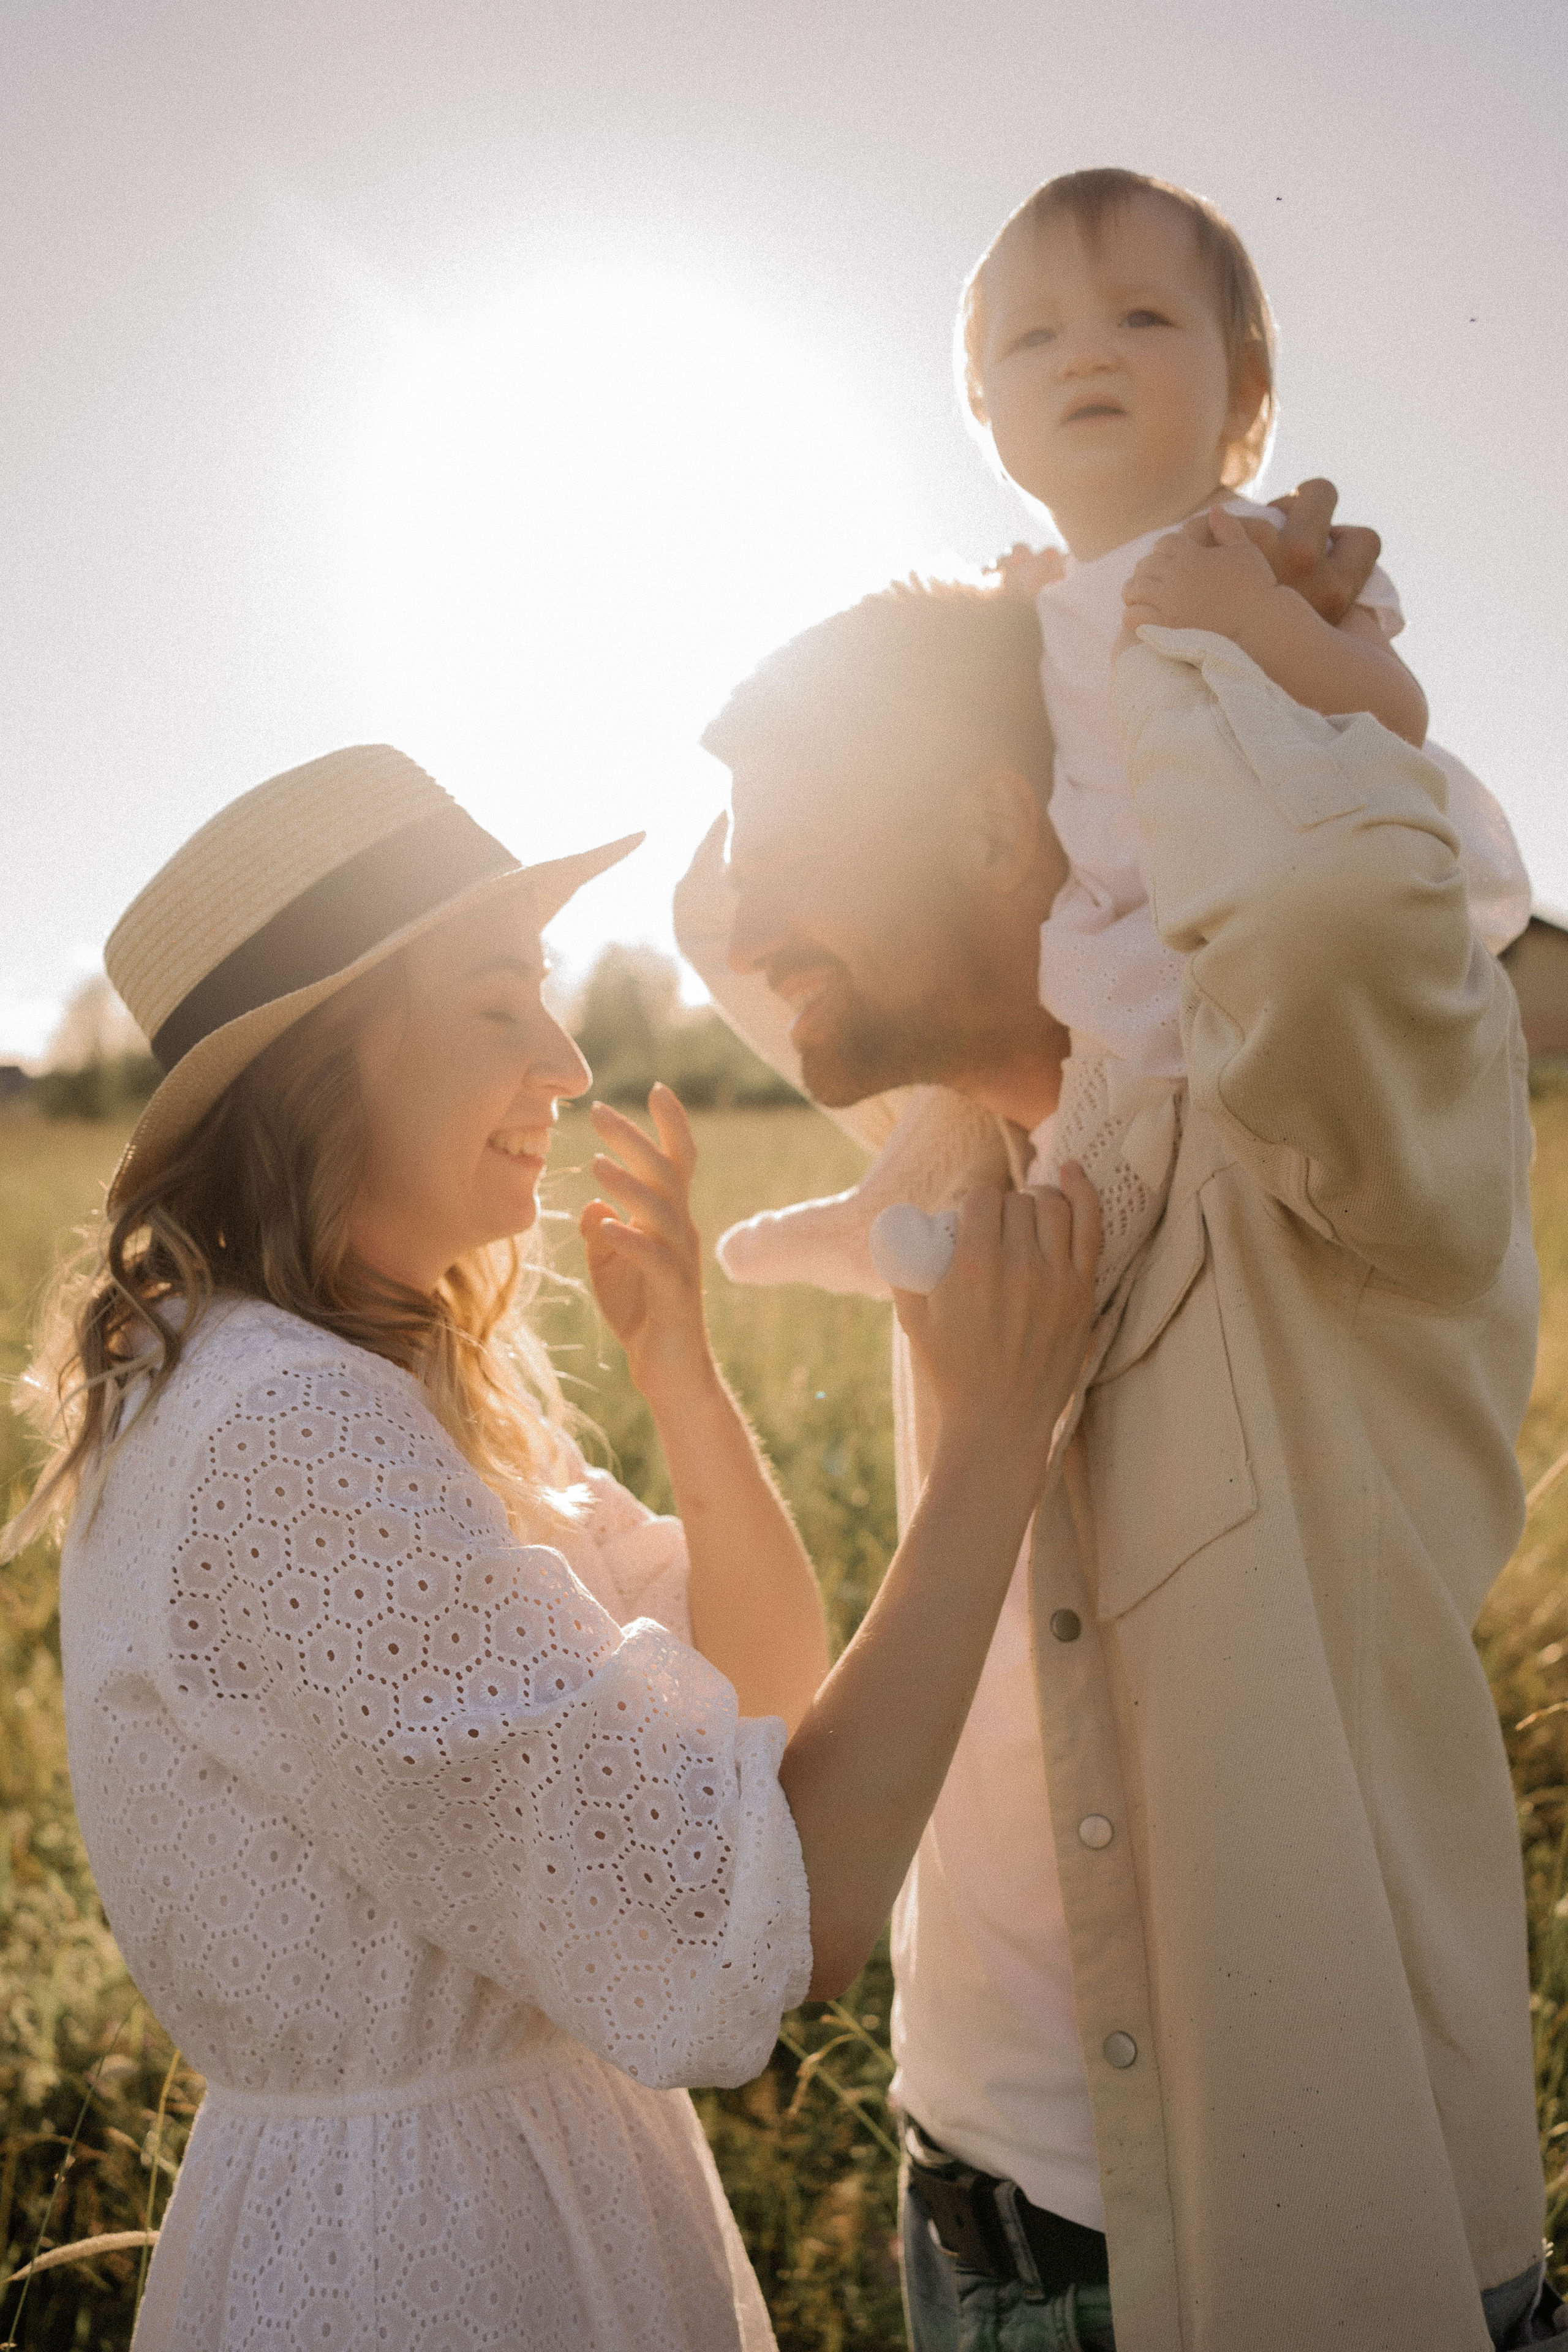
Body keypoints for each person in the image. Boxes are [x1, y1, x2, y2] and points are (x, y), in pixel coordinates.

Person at [6, 744, 1101, 2351]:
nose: (571, 1060)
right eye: (496, 1001)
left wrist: (687, 1381)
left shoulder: (336, 1393)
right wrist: (994, 1444)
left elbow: (761, 1701)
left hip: (497, 2202)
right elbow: (795, 1911)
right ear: (320, 1062)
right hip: (432, 2271)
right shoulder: (284, 1438)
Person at [674, 554, 1552, 2347]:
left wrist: (1148, 623)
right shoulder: (954, 1162)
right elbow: (712, 913)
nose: (742, 914)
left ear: (1006, 837)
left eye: (788, 845)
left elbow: (1316, 900)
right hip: (964, 2231)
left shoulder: (1297, 1144)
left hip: (1299, 2253)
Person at [963, 167, 1530, 1287]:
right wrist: (1025, 607)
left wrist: (1260, 617)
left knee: (1179, 1185)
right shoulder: (1058, 598)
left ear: (1245, 394)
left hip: (1262, 932)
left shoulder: (1250, 545)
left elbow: (1393, 711)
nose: (1086, 353)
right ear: (986, 415)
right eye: (1033, 337)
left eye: (1142, 316)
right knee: (1079, 1157)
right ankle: (922, 1222)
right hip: (1127, 939)